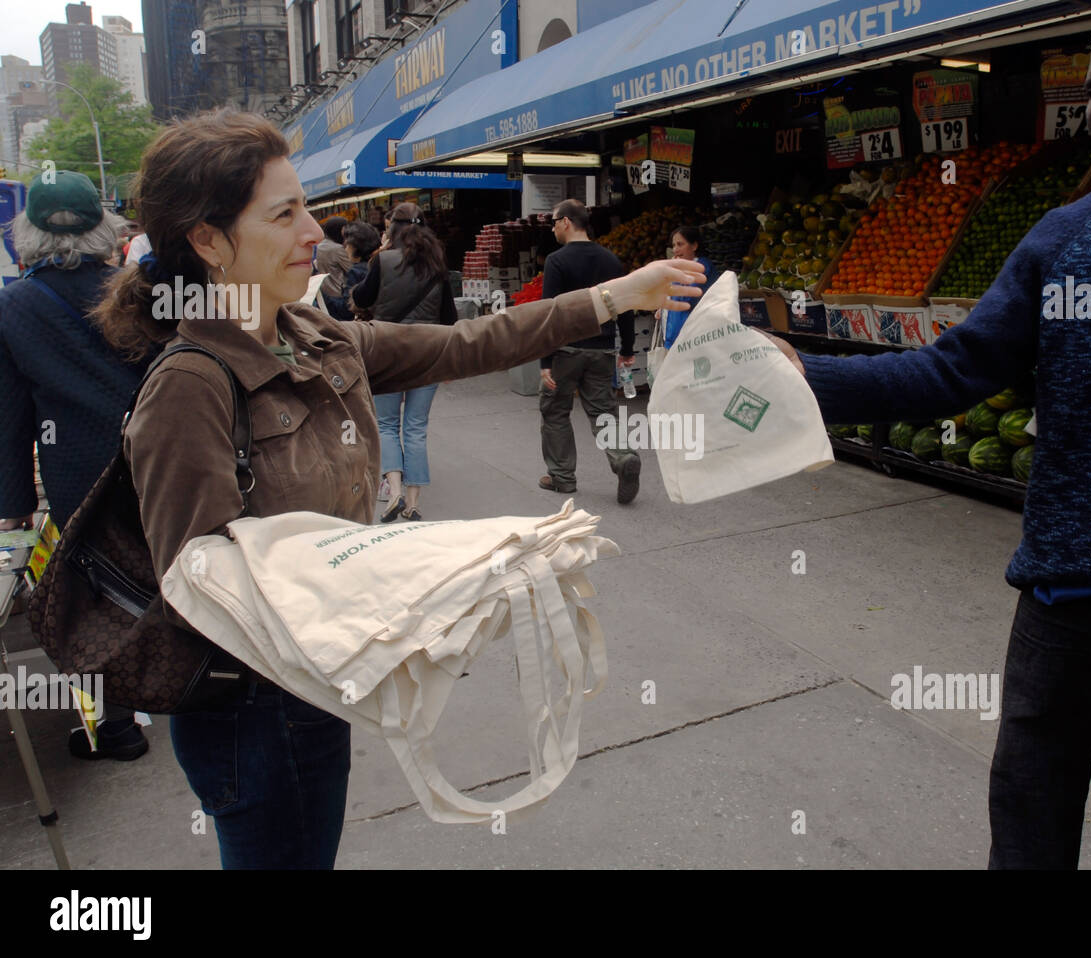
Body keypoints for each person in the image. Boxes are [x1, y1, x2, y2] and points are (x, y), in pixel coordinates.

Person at [89, 108, 703, 869]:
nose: (313, 232)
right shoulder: (190, 384)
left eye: (304, 207)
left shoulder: (315, 333)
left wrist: (614, 297)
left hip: (317, 690)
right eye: (283, 215)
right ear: (208, 241)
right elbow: (207, 590)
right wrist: (422, 567)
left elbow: (466, 341)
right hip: (251, 712)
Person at [765, 12, 1091, 870]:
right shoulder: (1061, 236)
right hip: (1063, 574)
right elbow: (953, 371)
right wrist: (799, 379)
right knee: (1026, 793)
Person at [0, 170, 151, 761]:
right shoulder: (137, 289)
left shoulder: (13, 306)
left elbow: (9, 416)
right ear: (103, 227)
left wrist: (12, 507)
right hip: (155, 457)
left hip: (74, 475)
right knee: (170, 568)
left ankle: (115, 727)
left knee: (91, 598)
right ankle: (194, 683)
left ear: (28, 233)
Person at [349, 201, 455, 522]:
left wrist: (375, 261)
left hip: (387, 352)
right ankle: (413, 502)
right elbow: (449, 317)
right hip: (428, 354)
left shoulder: (383, 261)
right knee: (416, 428)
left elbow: (361, 299)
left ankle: (393, 491)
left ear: (392, 228)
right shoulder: (438, 265)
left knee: (386, 424)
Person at [538, 199, 640, 504]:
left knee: (555, 411)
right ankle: (623, 459)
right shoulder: (611, 260)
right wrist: (628, 347)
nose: (553, 228)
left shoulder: (556, 261)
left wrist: (545, 360)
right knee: (603, 413)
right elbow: (624, 306)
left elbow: (551, 312)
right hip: (603, 349)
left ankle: (561, 477)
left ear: (567, 222)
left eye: (554, 221)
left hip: (566, 351)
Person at [659, 225, 715, 349]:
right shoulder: (680, 269)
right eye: (673, 245)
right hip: (674, 339)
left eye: (680, 244)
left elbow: (685, 297)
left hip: (691, 341)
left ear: (694, 246)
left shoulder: (702, 267)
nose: (675, 250)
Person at [320, 220, 380, 321]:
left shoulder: (356, 272)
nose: (345, 249)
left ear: (355, 246)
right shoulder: (377, 263)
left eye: (347, 245)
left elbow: (346, 309)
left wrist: (322, 295)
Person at [314, 216, 350, 301]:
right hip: (339, 293)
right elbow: (352, 269)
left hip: (326, 293)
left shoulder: (320, 246)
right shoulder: (337, 249)